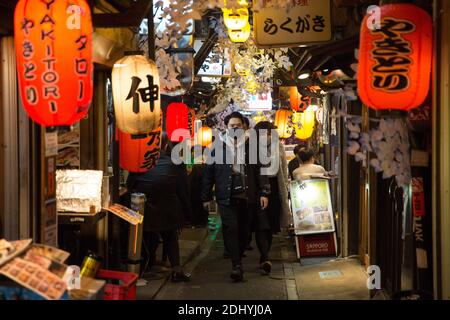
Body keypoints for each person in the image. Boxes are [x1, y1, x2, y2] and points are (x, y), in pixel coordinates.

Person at [201, 111, 270, 282]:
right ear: (226, 127)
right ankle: (236, 265)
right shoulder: (217, 147)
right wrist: (206, 197)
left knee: (245, 232)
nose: (235, 128)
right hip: (226, 196)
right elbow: (208, 174)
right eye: (232, 126)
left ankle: (238, 257)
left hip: (247, 195)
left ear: (243, 127)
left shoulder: (251, 146)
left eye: (238, 125)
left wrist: (264, 192)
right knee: (231, 228)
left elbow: (261, 171)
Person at [126, 132, 192, 282]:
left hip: (146, 211)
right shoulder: (174, 163)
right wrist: (188, 214)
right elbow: (182, 190)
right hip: (169, 210)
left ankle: (146, 267)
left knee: (147, 234)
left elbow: (130, 185)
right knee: (170, 237)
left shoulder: (139, 162)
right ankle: (177, 270)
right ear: (165, 145)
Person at [253, 121, 290, 274]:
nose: (269, 136)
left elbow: (283, 168)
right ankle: (265, 256)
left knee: (271, 224)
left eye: (270, 133)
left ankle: (264, 256)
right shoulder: (252, 148)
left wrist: (286, 187)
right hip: (257, 189)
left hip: (274, 188)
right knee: (262, 224)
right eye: (266, 133)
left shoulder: (278, 146)